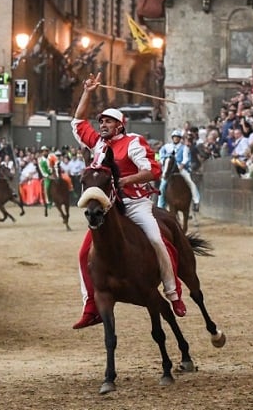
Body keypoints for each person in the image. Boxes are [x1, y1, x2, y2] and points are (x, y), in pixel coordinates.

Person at [71, 72, 186, 329]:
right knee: (82, 255)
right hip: (108, 207)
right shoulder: (98, 144)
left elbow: (153, 171)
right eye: (101, 121)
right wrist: (88, 92)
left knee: (157, 240)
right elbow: (78, 121)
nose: (102, 125)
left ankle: (173, 293)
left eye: (108, 122)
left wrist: (124, 181)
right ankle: (91, 307)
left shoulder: (133, 142)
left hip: (135, 203)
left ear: (120, 125)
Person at [157, 129, 183, 208]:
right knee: (162, 187)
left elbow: (185, 158)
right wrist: (163, 160)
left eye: (177, 137)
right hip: (168, 169)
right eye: (174, 137)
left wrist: (182, 164)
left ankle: (193, 202)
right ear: (172, 138)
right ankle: (160, 206)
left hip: (180, 169)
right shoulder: (166, 146)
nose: (176, 139)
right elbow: (161, 154)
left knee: (189, 183)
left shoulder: (183, 147)